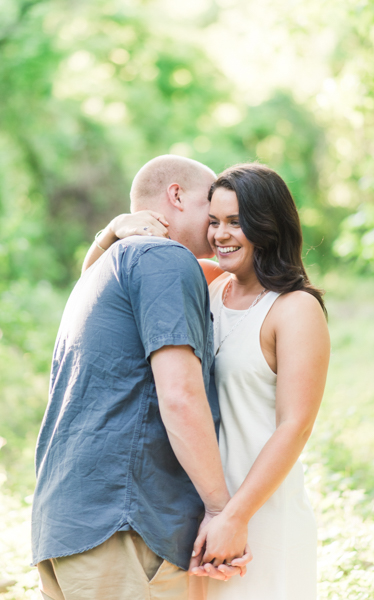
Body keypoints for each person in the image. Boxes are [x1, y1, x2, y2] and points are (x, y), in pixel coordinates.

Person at [87, 162, 330, 600]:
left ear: (268, 225)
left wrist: (235, 516)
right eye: (214, 221)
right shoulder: (208, 282)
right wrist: (112, 231)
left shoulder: (296, 309)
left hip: (260, 512)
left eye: (237, 222)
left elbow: (296, 426)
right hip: (200, 515)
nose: (220, 234)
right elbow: (97, 285)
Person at [32, 155, 249, 600]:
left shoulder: (105, 271)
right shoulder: (164, 258)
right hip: (124, 527)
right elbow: (180, 395)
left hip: (68, 528)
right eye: (209, 210)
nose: (215, 228)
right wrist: (222, 512)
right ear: (175, 195)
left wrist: (108, 233)